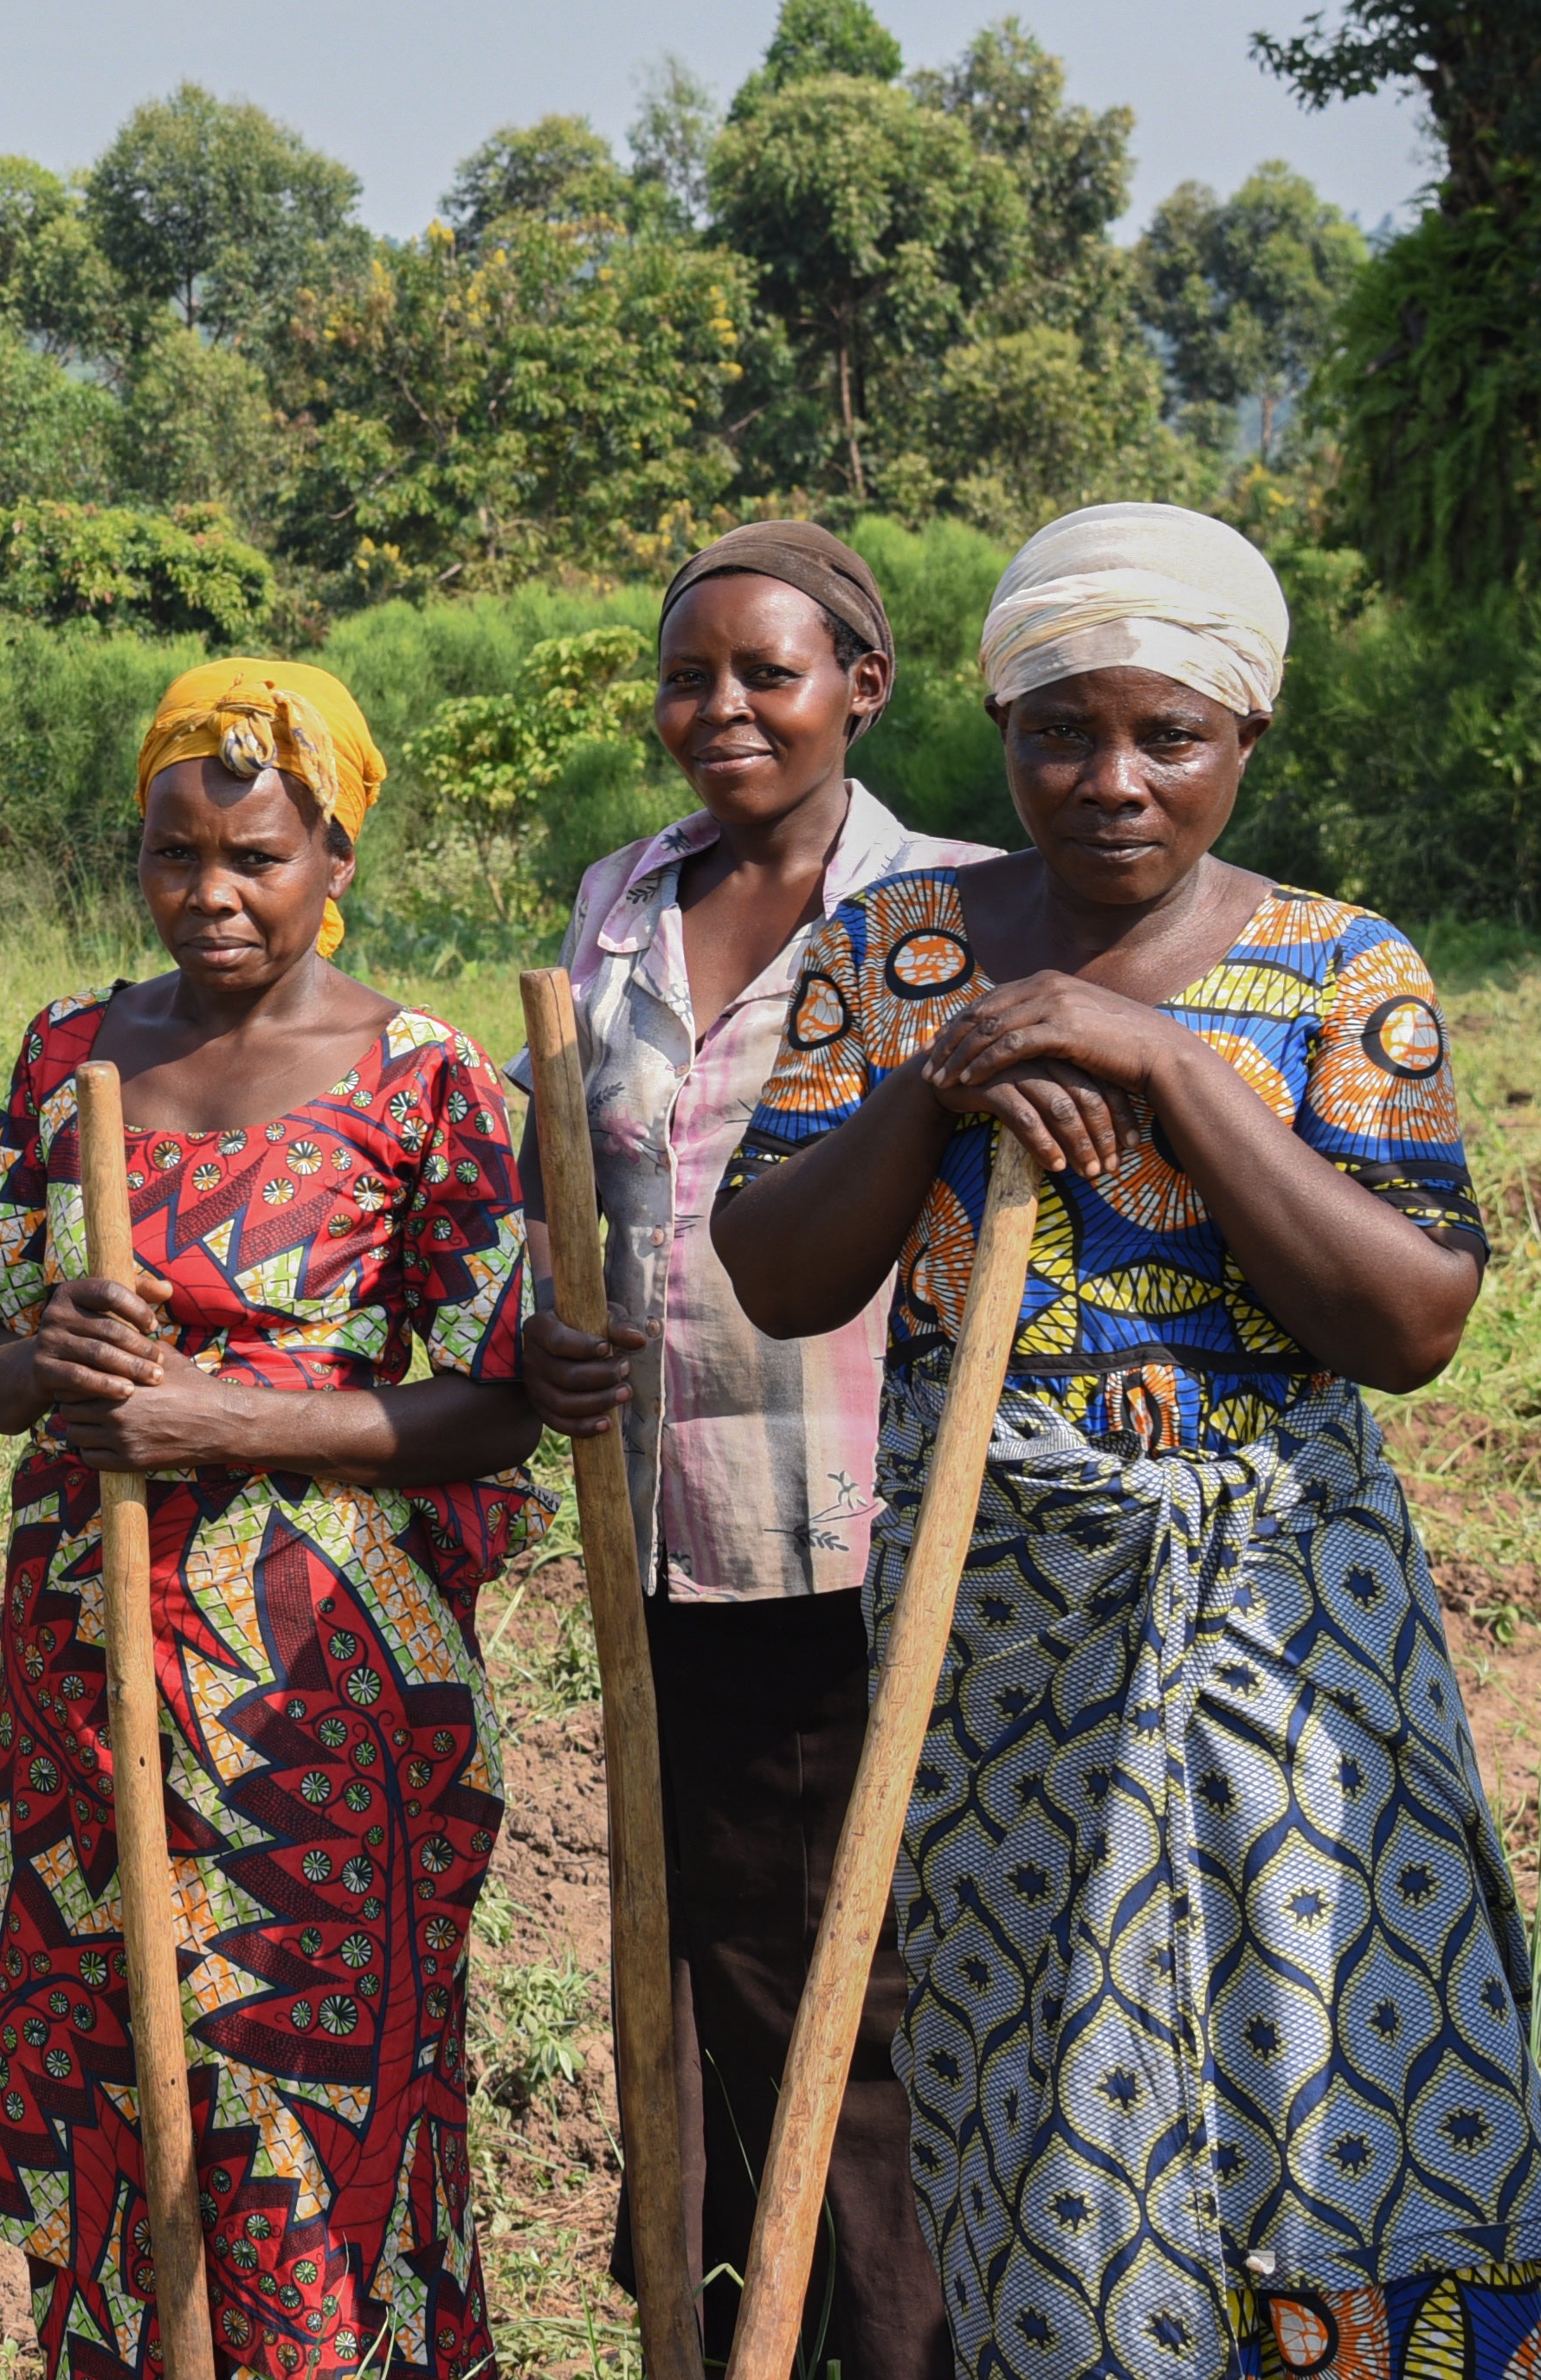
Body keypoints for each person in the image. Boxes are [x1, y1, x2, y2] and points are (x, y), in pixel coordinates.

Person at [710, 504, 1541, 2377]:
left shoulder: (1338, 969)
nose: (1106, 779)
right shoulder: (893, 950)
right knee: (1039, 2083)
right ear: (998, 730)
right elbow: (773, 1272)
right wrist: (937, 1087)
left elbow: (1410, 1319)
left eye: (1163, 735)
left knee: (1332, 2041)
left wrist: (1167, 1068)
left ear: (1243, 738)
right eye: (1056, 731)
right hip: (994, 1621)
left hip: (1285, 1616)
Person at [0, 660, 538, 2379]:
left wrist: (231, 1418)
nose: (209, 894)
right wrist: (44, 1353)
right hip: (90, 1656)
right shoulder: (68, 1052)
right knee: (120, 2071)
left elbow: (492, 1393)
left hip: (323, 1686)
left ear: (335, 855)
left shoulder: (421, 1078)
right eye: (172, 853)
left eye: (255, 858)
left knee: (313, 2083)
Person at [510, 526, 971, 2379]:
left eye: (763, 674)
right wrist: (545, 1325)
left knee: (842, 1994)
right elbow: (576, 1188)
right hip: (654, 1530)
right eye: (686, 676)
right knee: (680, 1965)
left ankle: (880, 2341)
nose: (717, 711)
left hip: (860, 1534)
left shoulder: (951, 909)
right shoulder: (618, 898)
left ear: (859, 684)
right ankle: (700, 2342)